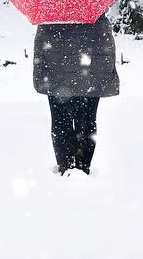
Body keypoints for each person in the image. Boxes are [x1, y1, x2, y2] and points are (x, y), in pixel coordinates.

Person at [32, 14, 119, 174]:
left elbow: (41, 46)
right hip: (90, 72)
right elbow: (105, 45)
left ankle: (65, 165)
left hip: (56, 72)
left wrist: (42, 69)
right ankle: (82, 165)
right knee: (86, 120)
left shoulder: (50, 6)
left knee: (60, 121)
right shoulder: (95, 1)